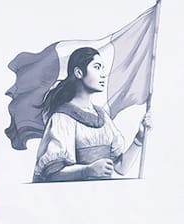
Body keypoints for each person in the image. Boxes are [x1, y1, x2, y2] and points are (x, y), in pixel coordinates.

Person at [32, 47, 148, 182]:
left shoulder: (102, 116)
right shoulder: (62, 118)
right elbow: (52, 174)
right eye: (97, 67)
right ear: (79, 72)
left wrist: (139, 138)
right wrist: (87, 170)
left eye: (103, 68)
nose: (103, 74)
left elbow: (121, 168)